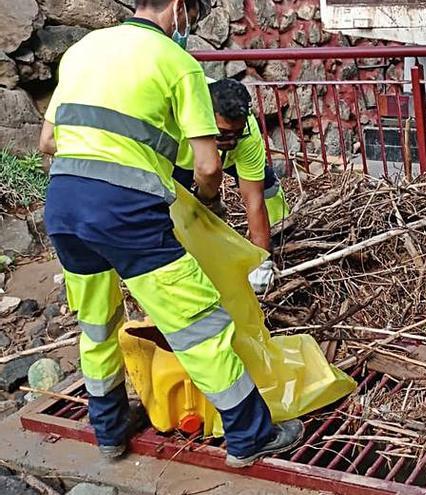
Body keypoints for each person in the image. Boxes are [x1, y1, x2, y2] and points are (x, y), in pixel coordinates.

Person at [37, 0, 302, 467]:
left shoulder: (83, 49)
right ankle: (249, 434)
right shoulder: (177, 63)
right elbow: (206, 164)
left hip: (63, 204)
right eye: (195, 10)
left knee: (97, 326)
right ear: (179, 7)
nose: (193, 20)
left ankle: (110, 433)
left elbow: (47, 143)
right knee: (200, 324)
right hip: (126, 211)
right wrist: (205, 208)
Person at [173, 78, 288, 293]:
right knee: (173, 206)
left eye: (237, 132)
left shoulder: (247, 135)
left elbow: (254, 200)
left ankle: (283, 230)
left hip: (229, 159)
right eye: (223, 133)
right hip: (181, 159)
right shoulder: (173, 122)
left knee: (268, 188)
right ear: (203, 118)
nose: (231, 140)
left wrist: (262, 260)